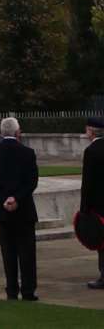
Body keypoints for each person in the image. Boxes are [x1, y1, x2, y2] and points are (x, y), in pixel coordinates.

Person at [0, 116, 39, 300]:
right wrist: (17, 198)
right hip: (23, 209)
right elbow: (32, 181)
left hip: (3, 209)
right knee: (27, 252)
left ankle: (12, 289)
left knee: (9, 252)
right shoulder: (27, 152)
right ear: (17, 132)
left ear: (1, 132)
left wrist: (3, 199)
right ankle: (28, 290)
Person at [79, 115, 104, 290]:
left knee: (102, 243)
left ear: (90, 131)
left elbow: (87, 183)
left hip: (99, 205)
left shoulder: (91, 151)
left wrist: (84, 209)